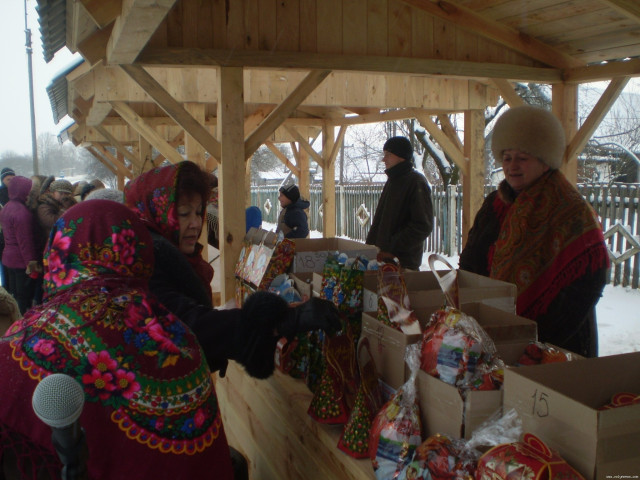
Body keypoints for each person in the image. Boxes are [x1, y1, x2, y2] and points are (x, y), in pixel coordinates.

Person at [0, 200, 239, 478]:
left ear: (57, 253)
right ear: (141, 252)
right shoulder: (180, 340)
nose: (195, 222)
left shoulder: (25, 339)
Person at [124, 161, 341, 379]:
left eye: (198, 212)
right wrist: (284, 321)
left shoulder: (165, 257)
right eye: (184, 213)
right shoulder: (143, 265)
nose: (195, 223)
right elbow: (188, 325)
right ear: (157, 212)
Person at [459, 105, 609, 357]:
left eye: (523, 157)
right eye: (507, 157)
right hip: (491, 334)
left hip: (556, 347)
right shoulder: (495, 204)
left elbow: (588, 282)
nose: (512, 166)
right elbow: (471, 257)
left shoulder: (570, 211)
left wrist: (539, 340)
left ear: (544, 160)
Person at [365, 136, 434, 270]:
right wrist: (370, 249)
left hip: (403, 264)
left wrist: (392, 246)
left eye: (388, 154)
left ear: (401, 156)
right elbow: (381, 221)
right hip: (383, 260)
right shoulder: (393, 181)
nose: (384, 159)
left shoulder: (416, 182)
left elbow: (422, 225)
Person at [0, 176, 40, 314]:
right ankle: (22, 322)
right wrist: (32, 265)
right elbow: (25, 242)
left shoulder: (6, 207)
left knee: (15, 295)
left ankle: (14, 320)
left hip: (8, 258)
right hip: (21, 262)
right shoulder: (22, 213)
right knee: (24, 298)